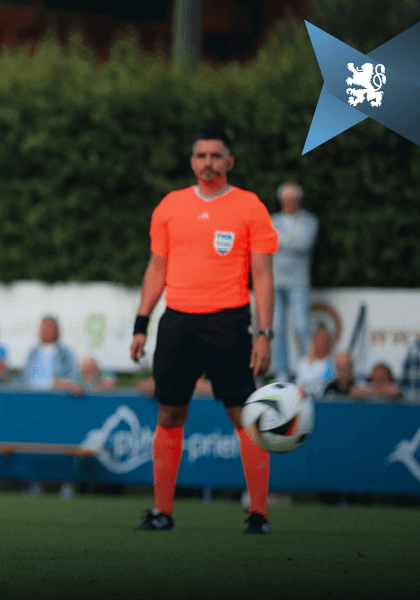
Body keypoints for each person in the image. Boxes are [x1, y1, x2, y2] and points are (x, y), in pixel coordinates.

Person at [129, 127, 279, 535]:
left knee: (243, 414)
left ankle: (258, 514)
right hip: (177, 320)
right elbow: (156, 268)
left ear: (230, 162)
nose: (207, 162)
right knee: (170, 412)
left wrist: (264, 332)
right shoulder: (170, 206)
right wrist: (142, 323)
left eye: (216, 155)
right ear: (192, 161)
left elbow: (262, 276)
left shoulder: (250, 207)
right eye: (201, 155)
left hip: (228, 321)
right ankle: (162, 512)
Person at [270, 182, 318, 382]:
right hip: (275, 281)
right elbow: (269, 242)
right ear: (281, 201)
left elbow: (304, 244)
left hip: (298, 282)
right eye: (286, 200)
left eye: (292, 199)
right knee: (277, 329)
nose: (289, 203)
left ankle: (306, 371)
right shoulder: (272, 220)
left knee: (302, 327)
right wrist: (290, 240)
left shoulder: (309, 221)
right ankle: (282, 371)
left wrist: (281, 241)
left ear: (298, 200)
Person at [21, 316, 82, 394]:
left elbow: (73, 377)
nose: (48, 331)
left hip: (58, 398)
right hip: (34, 397)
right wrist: (51, 384)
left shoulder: (66, 353)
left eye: (50, 328)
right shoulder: (33, 353)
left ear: (57, 330)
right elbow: (27, 379)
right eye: (44, 328)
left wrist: (64, 384)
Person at [293, 326, 336, 399]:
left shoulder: (331, 364)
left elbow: (325, 386)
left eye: (323, 340)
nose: (321, 343)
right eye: (318, 340)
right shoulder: (302, 363)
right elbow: (298, 384)